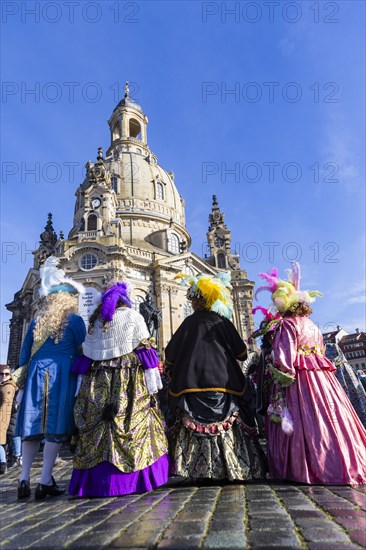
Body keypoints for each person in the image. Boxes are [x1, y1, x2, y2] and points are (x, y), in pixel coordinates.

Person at [256, 262, 366, 485]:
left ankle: (307, 466)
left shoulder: (286, 325)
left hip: (298, 378)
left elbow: (283, 358)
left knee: (303, 420)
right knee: (331, 419)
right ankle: (344, 460)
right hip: (322, 377)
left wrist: (276, 375)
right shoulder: (313, 326)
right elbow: (322, 351)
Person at [69, 281, 169, 498]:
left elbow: (85, 358)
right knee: (131, 422)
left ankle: (96, 483)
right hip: (129, 380)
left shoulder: (96, 321)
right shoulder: (133, 317)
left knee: (97, 429)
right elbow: (146, 352)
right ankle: (134, 480)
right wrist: (154, 387)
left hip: (97, 381)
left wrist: (79, 391)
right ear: (126, 300)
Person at [165, 271, 267, 481]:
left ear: (194, 301)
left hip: (190, 382)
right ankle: (235, 465)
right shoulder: (222, 322)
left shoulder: (187, 324)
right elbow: (242, 352)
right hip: (224, 382)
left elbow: (170, 356)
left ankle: (196, 469)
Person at [15, 256, 86, 499]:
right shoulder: (75, 321)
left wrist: (21, 385)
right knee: (54, 426)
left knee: (33, 427)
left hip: (35, 374)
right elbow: (82, 351)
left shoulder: (36, 321)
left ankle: (23, 479)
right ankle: (45, 480)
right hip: (61, 375)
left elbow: (24, 356)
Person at [325, 343, 366, 428]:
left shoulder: (327, 348)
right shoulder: (346, 367)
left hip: (339, 376)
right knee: (358, 399)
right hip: (347, 375)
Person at [0, 365, 18, 474]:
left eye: (6, 374)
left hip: (4, 417)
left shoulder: (8, 387)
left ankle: (3, 463)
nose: (4, 376)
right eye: (2, 374)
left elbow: (5, 404)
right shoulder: (4, 385)